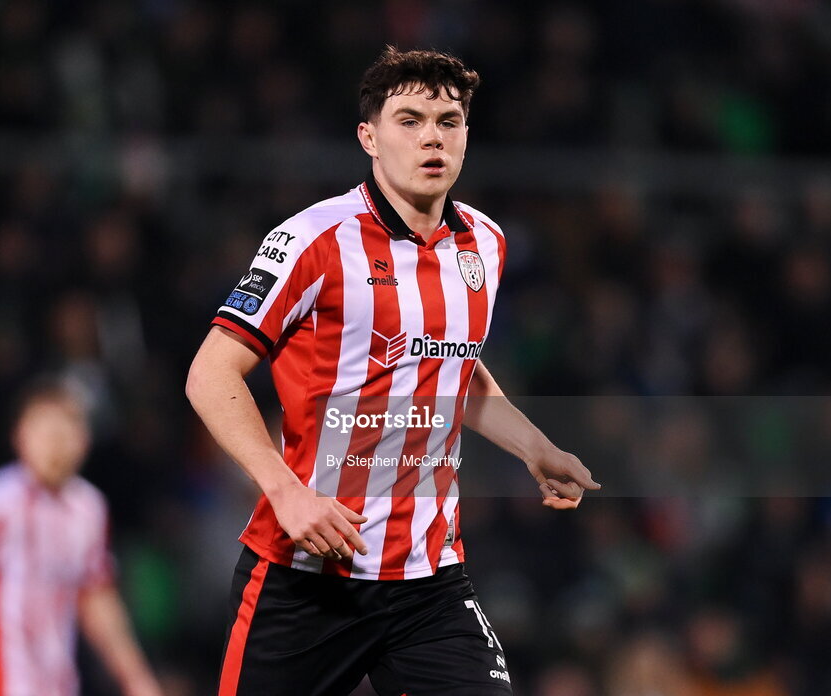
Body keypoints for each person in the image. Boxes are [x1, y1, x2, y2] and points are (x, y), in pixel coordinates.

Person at [186, 46, 600, 696]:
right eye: (410, 120)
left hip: (429, 580)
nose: (432, 136)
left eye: (449, 120)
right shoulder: (311, 239)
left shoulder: (485, 244)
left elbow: (451, 366)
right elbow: (210, 374)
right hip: (308, 578)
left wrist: (535, 447)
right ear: (369, 136)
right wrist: (285, 491)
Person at [0, 380, 162, 696]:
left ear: (85, 440)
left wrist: (138, 680)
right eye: (45, 430)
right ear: (19, 435)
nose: (56, 442)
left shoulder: (89, 508)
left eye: (68, 429)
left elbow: (97, 599)